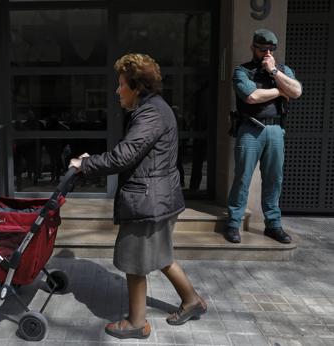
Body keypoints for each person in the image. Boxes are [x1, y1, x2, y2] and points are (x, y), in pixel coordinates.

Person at [68, 53, 206, 339]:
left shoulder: (151, 113)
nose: (117, 90)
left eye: (121, 84)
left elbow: (124, 156)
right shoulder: (153, 109)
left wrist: (86, 164)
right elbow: (132, 152)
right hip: (160, 197)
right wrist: (90, 160)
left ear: (137, 86)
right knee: (163, 255)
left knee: (133, 261)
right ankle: (192, 301)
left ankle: (136, 323)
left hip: (148, 201)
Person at [224, 29, 302, 244]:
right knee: (242, 178)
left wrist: (275, 74)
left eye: (270, 49)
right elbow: (251, 96)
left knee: (273, 180)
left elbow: (296, 91)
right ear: (253, 48)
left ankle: (273, 225)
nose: (266, 53)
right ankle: (233, 223)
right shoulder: (243, 71)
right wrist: (279, 91)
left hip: (276, 130)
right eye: (262, 49)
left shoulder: (282, 70)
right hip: (250, 128)